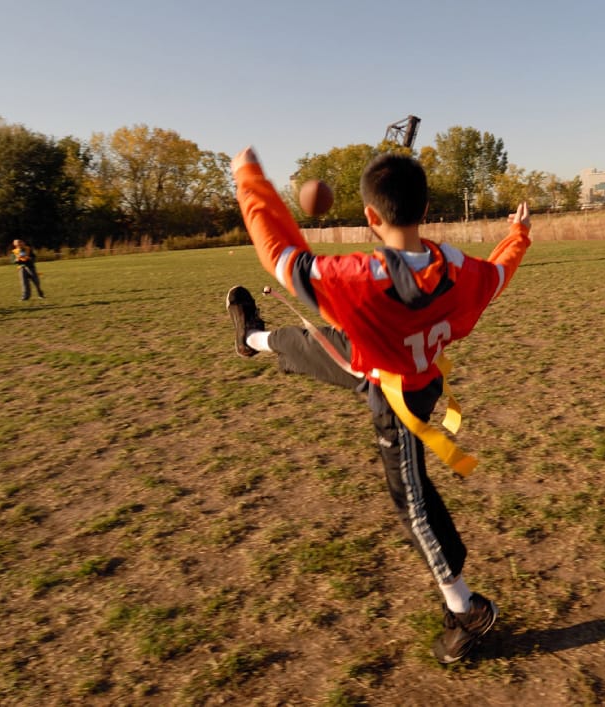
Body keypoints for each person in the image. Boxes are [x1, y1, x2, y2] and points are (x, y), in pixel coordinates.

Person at [225, 147, 531, 663]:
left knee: (410, 500)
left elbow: (279, 252)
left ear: (370, 216)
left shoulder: (356, 277)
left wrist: (249, 178)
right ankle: (252, 338)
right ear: (427, 207)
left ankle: (465, 609)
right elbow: (500, 273)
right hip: (405, 364)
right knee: (310, 344)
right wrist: (518, 233)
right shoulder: (457, 268)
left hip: (399, 394)